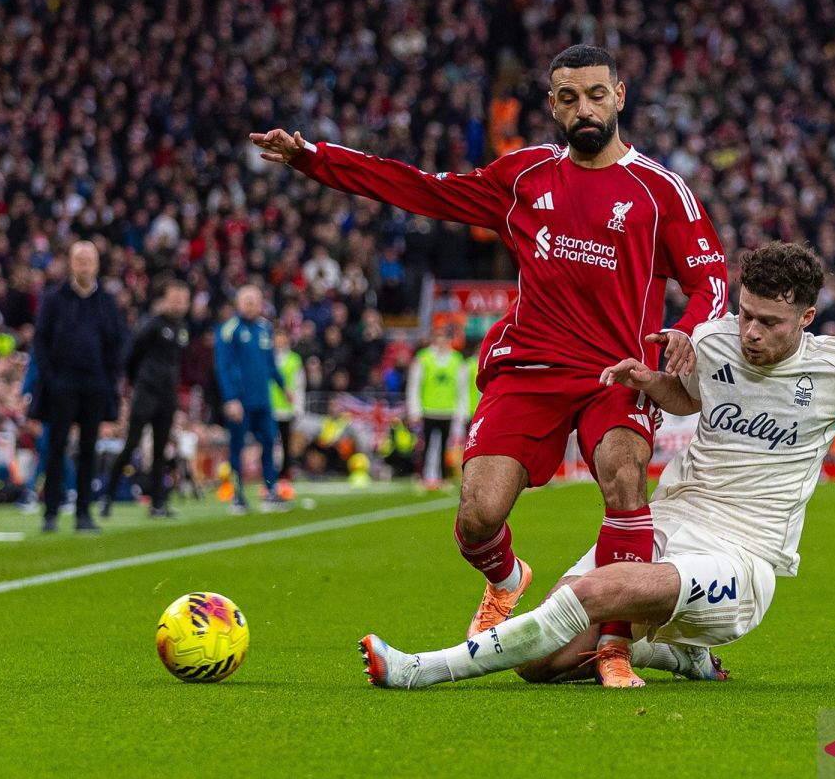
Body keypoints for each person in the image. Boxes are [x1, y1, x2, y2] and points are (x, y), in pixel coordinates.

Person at [357, 242, 835, 690]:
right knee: (539, 665)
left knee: (602, 591)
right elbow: (685, 396)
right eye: (749, 316)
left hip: (745, 556)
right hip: (671, 522)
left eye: (771, 322)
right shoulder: (715, 339)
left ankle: (426, 668)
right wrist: (649, 381)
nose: (752, 333)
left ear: (808, 318)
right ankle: (673, 655)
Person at [252, 44, 729, 687]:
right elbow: (421, 189)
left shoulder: (658, 191)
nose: (582, 108)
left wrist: (688, 332)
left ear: (620, 95)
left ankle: (613, 646)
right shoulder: (523, 177)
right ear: (552, 106)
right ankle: (506, 579)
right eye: (568, 97)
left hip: (617, 373)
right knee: (477, 515)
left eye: (595, 94)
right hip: (529, 367)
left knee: (624, 478)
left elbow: (711, 280)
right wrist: (316, 158)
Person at [32, 241, 126, 533]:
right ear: (71, 263)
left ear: (97, 265)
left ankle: (83, 513)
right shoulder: (54, 298)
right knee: (56, 446)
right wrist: (51, 378)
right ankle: (50, 512)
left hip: (95, 384)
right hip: (62, 384)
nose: (84, 266)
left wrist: (109, 379)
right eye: (79, 260)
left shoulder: (107, 302)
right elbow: (40, 341)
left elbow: (118, 343)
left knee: (88, 449)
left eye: (89, 261)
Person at [102, 279, 190, 518]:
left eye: (183, 299)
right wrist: (136, 384)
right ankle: (107, 496)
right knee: (131, 445)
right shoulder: (151, 325)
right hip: (146, 393)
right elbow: (131, 355)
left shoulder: (182, 328)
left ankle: (158, 503)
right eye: (174, 298)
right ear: (164, 299)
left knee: (161, 450)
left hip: (167, 396)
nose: (178, 303)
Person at [214, 285, 290, 514]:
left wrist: (282, 385)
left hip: (263, 400)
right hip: (241, 401)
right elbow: (223, 368)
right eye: (246, 301)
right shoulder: (229, 330)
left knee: (269, 442)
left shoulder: (265, 328)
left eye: (255, 301)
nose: (251, 305)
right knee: (237, 446)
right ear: (238, 303)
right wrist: (230, 398)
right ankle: (237, 495)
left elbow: (270, 363)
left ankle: (270, 491)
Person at [406, 326, 468, 490]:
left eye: (444, 338)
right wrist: (414, 409)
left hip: (447, 410)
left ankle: (441, 477)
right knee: (425, 445)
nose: (441, 341)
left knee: (444, 446)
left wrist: (462, 410)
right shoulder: (424, 357)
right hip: (428, 409)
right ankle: (425, 477)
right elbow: (415, 385)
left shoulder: (456, 359)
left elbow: (462, 388)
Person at [270, 328, 305, 479]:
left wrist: (299, 407)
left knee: (286, 442)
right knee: (270, 441)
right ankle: (271, 471)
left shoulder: (294, 359)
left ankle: (285, 471)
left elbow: (299, 384)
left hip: (286, 408)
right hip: (270, 407)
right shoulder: (268, 358)